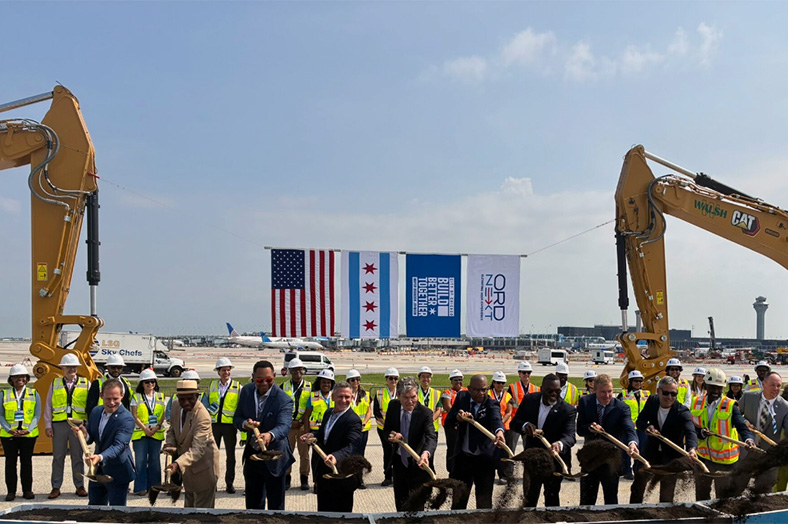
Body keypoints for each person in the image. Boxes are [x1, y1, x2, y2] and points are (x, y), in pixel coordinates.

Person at [234, 360, 294, 510]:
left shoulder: (283, 399)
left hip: (275, 457)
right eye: (260, 380)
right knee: (253, 503)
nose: (264, 383)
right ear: (253, 377)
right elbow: (237, 418)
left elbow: (284, 426)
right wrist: (244, 424)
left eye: (269, 379)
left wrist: (269, 435)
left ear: (274, 376)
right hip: (253, 455)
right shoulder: (246, 392)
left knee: (276, 505)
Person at [630, 376, 698, 503]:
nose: (669, 397)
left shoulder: (682, 412)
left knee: (667, 490)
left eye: (673, 394)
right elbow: (640, 421)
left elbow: (690, 432)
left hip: (672, 456)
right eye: (666, 393)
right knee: (638, 485)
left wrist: (692, 449)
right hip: (651, 452)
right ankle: (632, 512)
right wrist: (647, 427)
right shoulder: (652, 401)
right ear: (658, 391)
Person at [511, 373, 576, 507]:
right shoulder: (529, 401)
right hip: (533, 459)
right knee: (530, 496)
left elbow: (570, 436)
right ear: (541, 389)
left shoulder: (567, 410)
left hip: (553, 460)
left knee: (552, 496)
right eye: (550, 391)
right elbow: (514, 423)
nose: (554, 394)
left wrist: (559, 444)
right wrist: (524, 426)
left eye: (557, 391)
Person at [691, 368, 754, 500]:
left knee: (723, 496)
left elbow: (742, 426)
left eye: (719, 388)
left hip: (725, 462)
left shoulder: (730, 405)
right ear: (706, 385)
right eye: (712, 387)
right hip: (703, 458)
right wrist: (701, 432)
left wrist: (748, 439)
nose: (715, 391)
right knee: (701, 495)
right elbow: (690, 427)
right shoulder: (696, 402)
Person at [577, 373, 638, 506]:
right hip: (590, 459)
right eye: (603, 392)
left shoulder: (621, 408)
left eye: (610, 391)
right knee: (587, 499)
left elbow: (629, 429)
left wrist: (632, 443)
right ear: (595, 390)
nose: (607, 396)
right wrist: (589, 427)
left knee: (611, 499)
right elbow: (580, 429)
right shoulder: (585, 402)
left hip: (611, 460)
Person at [301, 381, 362, 512]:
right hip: (324, 473)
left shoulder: (353, 420)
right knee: (324, 513)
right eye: (340, 396)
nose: (343, 400)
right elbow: (325, 434)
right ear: (333, 397)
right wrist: (313, 435)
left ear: (352, 398)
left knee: (340, 515)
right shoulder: (328, 413)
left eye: (347, 397)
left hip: (341, 474)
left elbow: (353, 445)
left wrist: (336, 457)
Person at [446, 374, 505, 510]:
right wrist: (458, 418)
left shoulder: (491, 403)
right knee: (458, 501)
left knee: (484, 502)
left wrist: (499, 432)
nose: (481, 393)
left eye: (484, 390)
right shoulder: (462, 398)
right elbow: (449, 421)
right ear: (469, 389)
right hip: (463, 459)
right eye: (477, 390)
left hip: (484, 461)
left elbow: (496, 420)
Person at [78, 378, 135, 506]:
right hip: (97, 471)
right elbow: (92, 438)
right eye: (108, 398)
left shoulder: (126, 419)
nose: (112, 402)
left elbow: (118, 446)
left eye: (115, 398)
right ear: (101, 396)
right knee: (94, 508)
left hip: (118, 471)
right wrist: (84, 434)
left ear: (122, 396)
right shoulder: (96, 412)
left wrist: (99, 457)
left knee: (116, 512)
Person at [165, 379, 220, 508]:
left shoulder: (202, 416)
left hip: (204, 470)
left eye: (191, 399)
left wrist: (177, 464)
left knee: (202, 514)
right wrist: (170, 445)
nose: (186, 403)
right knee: (188, 510)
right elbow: (172, 429)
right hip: (187, 470)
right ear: (177, 397)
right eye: (182, 399)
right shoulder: (175, 406)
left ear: (197, 396)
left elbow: (197, 450)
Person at [385, 377, 438, 511]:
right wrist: (392, 436)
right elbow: (386, 430)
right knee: (401, 504)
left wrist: (426, 454)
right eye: (405, 398)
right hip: (399, 465)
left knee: (417, 506)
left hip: (418, 465)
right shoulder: (393, 407)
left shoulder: (425, 413)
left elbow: (431, 436)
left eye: (413, 397)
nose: (410, 401)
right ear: (398, 396)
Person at [734, 371, 788, 494]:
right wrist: (744, 421)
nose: (776, 389)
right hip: (746, 452)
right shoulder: (748, 397)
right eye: (772, 385)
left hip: (768, 456)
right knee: (735, 489)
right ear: (764, 384)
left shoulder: (785, 407)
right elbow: (736, 414)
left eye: (779, 386)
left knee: (762, 495)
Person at [45, 353, 89, 499]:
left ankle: (80, 485)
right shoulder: (55, 383)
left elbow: (90, 406)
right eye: (69, 367)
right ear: (63, 368)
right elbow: (48, 405)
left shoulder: (85, 383)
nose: (72, 370)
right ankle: (56, 487)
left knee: (77, 457)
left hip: (77, 425)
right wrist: (47, 425)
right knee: (58, 457)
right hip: (59, 424)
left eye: (74, 367)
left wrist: (87, 426)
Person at [0, 364, 40, 501]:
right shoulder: (3, 394)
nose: (19, 379)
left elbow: (37, 415)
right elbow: (1, 415)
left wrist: (28, 430)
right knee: (10, 463)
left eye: (22, 376)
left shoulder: (34, 393)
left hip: (28, 435)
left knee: (26, 463)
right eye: (16, 376)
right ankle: (11, 491)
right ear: (11, 379)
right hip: (9, 435)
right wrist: (8, 429)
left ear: (26, 378)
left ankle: (27, 490)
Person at [130, 368, 165, 496]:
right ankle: (140, 487)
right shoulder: (136, 397)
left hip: (156, 433)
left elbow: (163, 414)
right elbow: (134, 415)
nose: (150, 384)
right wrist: (145, 429)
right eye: (147, 382)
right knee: (140, 461)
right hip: (140, 434)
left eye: (152, 381)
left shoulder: (160, 396)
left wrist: (157, 427)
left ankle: (154, 486)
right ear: (142, 384)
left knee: (155, 460)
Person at [207, 357, 240, 494]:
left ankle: (229, 483)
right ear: (218, 372)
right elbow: (207, 404)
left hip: (229, 426)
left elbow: (240, 407)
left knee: (230, 456)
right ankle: (212, 483)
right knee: (212, 455)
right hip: (214, 425)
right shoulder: (212, 385)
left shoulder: (238, 387)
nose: (226, 373)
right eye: (223, 370)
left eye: (228, 370)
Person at [283, 358, 311, 491]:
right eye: (294, 370)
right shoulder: (283, 387)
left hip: (303, 425)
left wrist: (302, 422)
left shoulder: (310, 387)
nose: (297, 372)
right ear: (290, 371)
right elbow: (281, 407)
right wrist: (289, 422)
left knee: (304, 454)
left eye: (300, 369)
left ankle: (304, 478)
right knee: (287, 452)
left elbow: (311, 407)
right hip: (288, 426)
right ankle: (286, 478)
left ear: (303, 371)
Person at [618, 370, 649, 480]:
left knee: (641, 449)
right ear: (630, 382)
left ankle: (638, 469)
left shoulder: (646, 394)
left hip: (642, 427)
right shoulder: (623, 394)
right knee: (627, 450)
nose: (638, 383)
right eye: (635, 381)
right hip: (628, 427)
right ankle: (627, 471)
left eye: (640, 381)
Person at [507, 361, 540, 459]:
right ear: (519, 374)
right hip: (515, 422)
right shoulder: (512, 387)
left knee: (529, 449)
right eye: (524, 372)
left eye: (528, 372)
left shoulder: (536, 389)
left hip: (529, 423)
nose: (526, 375)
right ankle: (509, 471)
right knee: (510, 449)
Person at [373, 367, 399, 486]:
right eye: (391, 378)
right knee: (387, 452)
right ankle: (387, 476)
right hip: (384, 429)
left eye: (395, 378)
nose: (393, 380)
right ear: (386, 379)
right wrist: (387, 426)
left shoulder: (401, 393)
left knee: (399, 453)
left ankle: (398, 476)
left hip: (399, 429)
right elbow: (377, 413)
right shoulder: (379, 393)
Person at [347, 369, 372, 488]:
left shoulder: (365, 395)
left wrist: (365, 422)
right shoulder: (346, 394)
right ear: (348, 381)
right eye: (353, 380)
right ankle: (350, 477)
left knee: (360, 455)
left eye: (357, 379)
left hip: (363, 430)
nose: (356, 382)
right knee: (350, 454)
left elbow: (368, 411)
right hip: (350, 430)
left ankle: (359, 479)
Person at [489, 371, 513, 484]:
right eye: (498, 382)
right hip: (489, 428)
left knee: (504, 453)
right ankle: (488, 474)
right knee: (489, 451)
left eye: (502, 383)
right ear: (493, 383)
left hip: (505, 427)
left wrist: (500, 423)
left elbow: (509, 411)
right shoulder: (487, 394)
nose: (500, 385)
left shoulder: (508, 396)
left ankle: (503, 475)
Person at [416, 366, 442, 470]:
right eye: (423, 377)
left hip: (432, 429)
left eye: (428, 377)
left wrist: (429, 421)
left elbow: (438, 409)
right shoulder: (414, 392)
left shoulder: (436, 393)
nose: (426, 379)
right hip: (418, 429)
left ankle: (430, 471)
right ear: (419, 378)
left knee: (430, 451)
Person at [440, 369, 465, 474]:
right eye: (456, 380)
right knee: (452, 447)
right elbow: (448, 407)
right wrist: (458, 417)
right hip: (451, 425)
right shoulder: (447, 393)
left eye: (460, 379)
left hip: (464, 423)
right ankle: (451, 469)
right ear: (451, 381)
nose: (458, 382)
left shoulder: (466, 391)